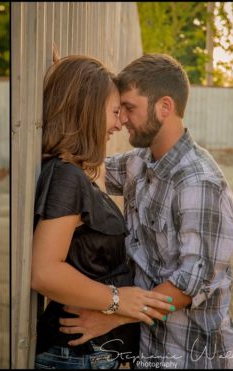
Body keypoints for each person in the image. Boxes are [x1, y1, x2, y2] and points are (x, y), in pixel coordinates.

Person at [62, 54, 233, 369]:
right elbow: (87, 166)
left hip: (190, 356)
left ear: (164, 107)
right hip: (150, 352)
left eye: (130, 107)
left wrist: (112, 317)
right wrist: (75, 88)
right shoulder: (139, 162)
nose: (123, 119)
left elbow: (187, 286)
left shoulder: (200, 184)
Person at [30, 55, 175, 369]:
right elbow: (44, 271)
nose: (120, 122)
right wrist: (119, 300)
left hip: (89, 355)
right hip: (77, 355)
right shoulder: (66, 177)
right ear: (88, 111)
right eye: (113, 112)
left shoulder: (73, 174)